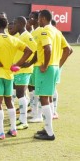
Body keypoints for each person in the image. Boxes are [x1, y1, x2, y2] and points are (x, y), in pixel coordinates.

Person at [0, 17, 32, 139]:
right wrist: (17, 64)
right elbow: (29, 51)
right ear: (5, 26)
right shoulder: (13, 39)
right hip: (9, 75)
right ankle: (13, 129)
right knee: (9, 102)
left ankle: (0, 132)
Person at [27, 10, 71, 140]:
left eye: (39, 18)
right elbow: (68, 49)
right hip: (54, 67)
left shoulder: (44, 30)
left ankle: (50, 133)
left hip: (46, 69)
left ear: (43, 18)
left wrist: (46, 65)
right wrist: (58, 64)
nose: (38, 21)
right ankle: (47, 127)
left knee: (44, 99)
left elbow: (48, 48)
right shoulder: (57, 31)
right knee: (48, 98)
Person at [12, 16, 37, 130]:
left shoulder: (27, 36)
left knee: (20, 94)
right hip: (18, 70)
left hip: (23, 70)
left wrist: (28, 63)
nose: (14, 26)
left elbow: (35, 51)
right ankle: (21, 118)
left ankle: (24, 121)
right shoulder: (19, 35)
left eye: (16, 23)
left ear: (22, 24)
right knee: (20, 95)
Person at [50, 20, 73, 119]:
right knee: (50, 87)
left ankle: (54, 111)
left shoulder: (56, 34)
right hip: (54, 64)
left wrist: (59, 63)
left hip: (54, 65)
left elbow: (69, 49)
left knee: (52, 87)